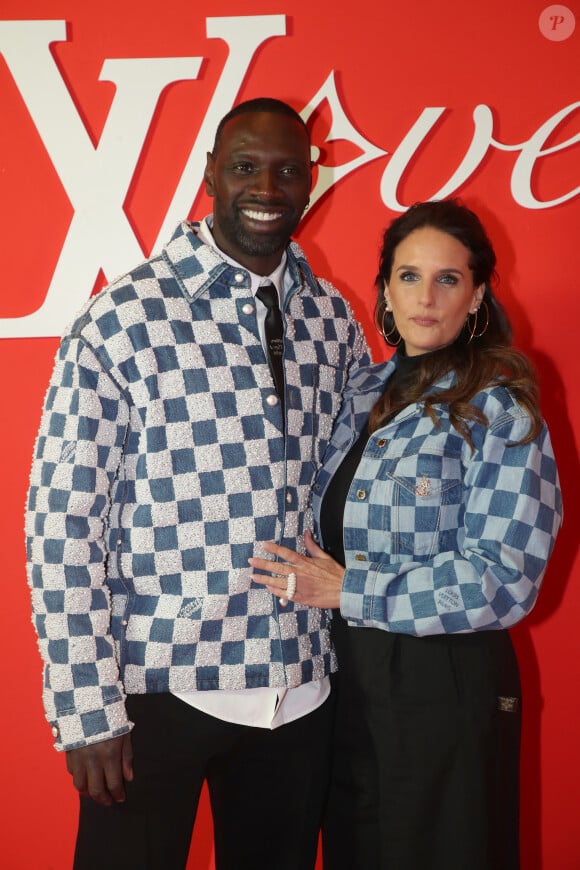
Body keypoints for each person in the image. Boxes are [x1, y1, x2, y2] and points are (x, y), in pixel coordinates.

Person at [25, 97, 370, 870]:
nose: (268, 187)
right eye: (246, 166)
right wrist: (85, 710)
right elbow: (62, 525)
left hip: (302, 689)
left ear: (312, 182)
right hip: (159, 691)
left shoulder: (334, 319)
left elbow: (359, 487)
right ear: (210, 174)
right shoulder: (122, 320)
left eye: (288, 169)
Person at [249, 199, 563, 870]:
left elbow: (504, 580)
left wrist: (351, 591)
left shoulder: (499, 406)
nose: (426, 297)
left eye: (448, 279)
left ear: (478, 295)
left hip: (444, 686)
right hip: (347, 685)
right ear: (385, 290)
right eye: (408, 276)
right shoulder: (359, 392)